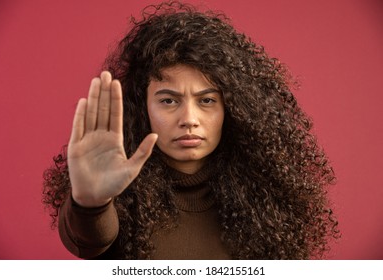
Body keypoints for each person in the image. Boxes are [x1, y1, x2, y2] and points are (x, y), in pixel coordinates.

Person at [43, 1, 339, 260]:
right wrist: (91, 202)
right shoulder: (118, 191)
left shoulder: (269, 199)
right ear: (141, 106)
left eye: (207, 100)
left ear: (232, 109)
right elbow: (86, 242)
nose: (189, 118)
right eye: (169, 100)